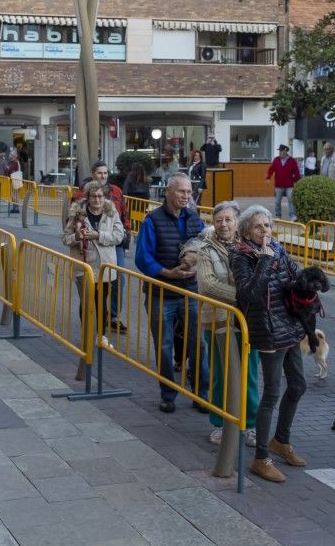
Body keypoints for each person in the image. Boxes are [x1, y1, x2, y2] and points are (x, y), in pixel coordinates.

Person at [231, 205, 309, 483]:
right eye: (259, 227)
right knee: (272, 394)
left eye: (268, 225)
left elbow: (294, 277)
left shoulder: (277, 247)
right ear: (246, 232)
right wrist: (264, 260)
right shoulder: (240, 256)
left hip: (289, 326)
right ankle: (261, 458)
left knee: (298, 385)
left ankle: (281, 441)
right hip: (267, 331)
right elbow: (248, 293)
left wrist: (307, 285)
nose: (266, 231)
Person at [185, 201, 262, 447]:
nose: (224, 224)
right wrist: (243, 298)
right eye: (219, 220)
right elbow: (207, 285)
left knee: (249, 373)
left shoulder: (250, 245)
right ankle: (219, 423)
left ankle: (249, 424)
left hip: (250, 323)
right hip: (217, 321)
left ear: (238, 222)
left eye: (228, 219)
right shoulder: (206, 249)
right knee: (220, 373)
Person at [134, 173, 206, 413]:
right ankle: (168, 394)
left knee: (199, 344)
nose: (187, 196)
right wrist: (167, 273)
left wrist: (196, 263)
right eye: (181, 191)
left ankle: (200, 394)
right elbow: (142, 258)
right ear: (168, 192)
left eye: (189, 191)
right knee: (164, 346)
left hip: (191, 292)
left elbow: (206, 249)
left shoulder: (195, 219)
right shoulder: (151, 220)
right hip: (161, 292)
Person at [63, 182, 126, 342]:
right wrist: (77, 237)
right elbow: (65, 238)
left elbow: (119, 236)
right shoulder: (77, 214)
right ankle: (86, 334)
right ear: (88, 197)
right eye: (93, 196)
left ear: (105, 198)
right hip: (84, 265)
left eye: (100, 196)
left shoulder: (112, 213)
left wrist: (98, 235)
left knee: (101, 301)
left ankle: (101, 335)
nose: (97, 200)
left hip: (105, 266)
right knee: (86, 301)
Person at [266, 144, 299, 219]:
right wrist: (268, 177)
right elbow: (271, 169)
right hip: (279, 185)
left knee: (291, 200)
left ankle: (292, 216)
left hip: (289, 185)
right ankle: (278, 215)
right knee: (277, 201)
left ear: (285, 151)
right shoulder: (276, 159)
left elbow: (296, 171)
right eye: (279, 151)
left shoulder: (292, 160)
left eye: (281, 151)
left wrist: (297, 181)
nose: (279, 153)